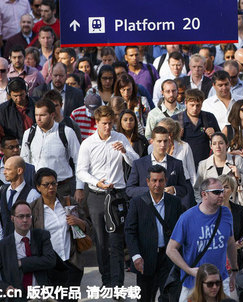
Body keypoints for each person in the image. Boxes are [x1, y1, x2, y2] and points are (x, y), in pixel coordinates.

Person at [76, 105, 139, 288]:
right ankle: (106, 280)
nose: (107, 127)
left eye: (110, 123)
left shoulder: (120, 138)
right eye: (104, 123)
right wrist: (96, 182)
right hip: (96, 196)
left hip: (117, 195)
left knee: (116, 242)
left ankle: (118, 284)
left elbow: (136, 161)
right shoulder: (88, 143)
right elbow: (81, 171)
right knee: (101, 242)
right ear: (96, 123)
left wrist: (125, 151)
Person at [166, 177, 239, 302]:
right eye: (216, 192)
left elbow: (230, 243)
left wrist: (234, 270)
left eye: (222, 191)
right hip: (193, 283)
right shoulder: (187, 218)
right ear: (204, 194)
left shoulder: (226, 213)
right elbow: (171, 249)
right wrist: (188, 270)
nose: (222, 195)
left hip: (220, 281)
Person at [125, 164, 185, 302]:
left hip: (168, 258)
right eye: (154, 180)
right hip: (146, 259)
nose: (157, 184)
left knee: (170, 296)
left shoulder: (175, 202)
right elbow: (130, 231)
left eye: (161, 180)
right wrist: (135, 256)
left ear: (166, 181)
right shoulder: (137, 203)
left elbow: (181, 229)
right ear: (148, 182)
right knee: (145, 297)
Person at [0, 201, 56, 300]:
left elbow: (50, 261)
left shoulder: (42, 236)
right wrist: (5, 288)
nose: (25, 220)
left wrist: (22, 262)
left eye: (28, 216)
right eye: (21, 216)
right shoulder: (2, 246)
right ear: (12, 218)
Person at [31, 168, 90, 288]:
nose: (51, 187)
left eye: (53, 183)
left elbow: (88, 226)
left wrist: (78, 222)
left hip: (72, 262)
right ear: (38, 187)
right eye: (46, 185)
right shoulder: (33, 209)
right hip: (49, 265)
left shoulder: (69, 202)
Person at [21, 99, 83, 201]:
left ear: (52, 115)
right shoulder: (29, 133)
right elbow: (25, 161)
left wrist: (79, 187)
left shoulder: (67, 132)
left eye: (43, 115)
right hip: (37, 189)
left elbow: (79, 161)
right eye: (36, 115)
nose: (38, 119)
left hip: (63, 187)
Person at [126, 126, 190, 204]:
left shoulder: (177, 163)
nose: (163, 145)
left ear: (169, 142)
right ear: (152, 142)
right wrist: (151, 190)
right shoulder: (139, 164)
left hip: (169, 209)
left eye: (165, 141)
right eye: (159, 141)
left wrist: (174, 189)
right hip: (146, 210)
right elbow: (129, 189)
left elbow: (184, 189)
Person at [194, 132, 243, 203]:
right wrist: (203, 204)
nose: (217, 146)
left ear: (227, 145)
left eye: (221, 143)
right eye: (214, 144)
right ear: (211, 146)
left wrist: (240, 177)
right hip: (212, 208)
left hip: (234, 207)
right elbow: (197, 189)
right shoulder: (203, 164)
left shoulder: (237, 160)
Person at [0, 156, 40, 241]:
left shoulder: (33, 194)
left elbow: (36, 223)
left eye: (8, 169)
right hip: (6, 243)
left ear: (19, 171)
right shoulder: (2, 190)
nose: (4, 172)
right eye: (4, 169)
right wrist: (0, 240)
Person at [176, 89, 221, 168]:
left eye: (198, 105)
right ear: (186, 103)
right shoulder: (175, 120)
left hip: (205, 164)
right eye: (192, 105)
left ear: (202, 104)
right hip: (183, 164)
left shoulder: (209, 117)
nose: (195, 108)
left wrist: (214, 135)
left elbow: (221, 141)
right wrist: (176, 137)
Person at [156, 117, 198, 188]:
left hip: (183, 188)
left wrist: (195, 195)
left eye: (162, 131)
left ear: (170, 134)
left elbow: (192, 174)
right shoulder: (151, 148)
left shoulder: (184, 147)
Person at [0, 77, 36, 141]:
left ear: (26, 91)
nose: (19, 99)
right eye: (15, 96)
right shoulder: (4, 109)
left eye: (21, 95)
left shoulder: (37, 105)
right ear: (10, 94)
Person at [219, 174, 243, 258]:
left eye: (226, 187)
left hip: (235, 255)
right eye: (220, 187)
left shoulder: (239, 210)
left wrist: (241, 242)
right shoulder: (210, 210)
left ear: (232, 190)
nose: (223, 190)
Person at [114, 73, 150, 138]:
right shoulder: (114, 102)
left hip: (138, 136)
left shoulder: (142, 101)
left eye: (129, 89)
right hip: (120, 136)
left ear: (133, 88)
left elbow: (148, 120)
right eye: (123, 90)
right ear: (119, 89)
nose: (126, 93)